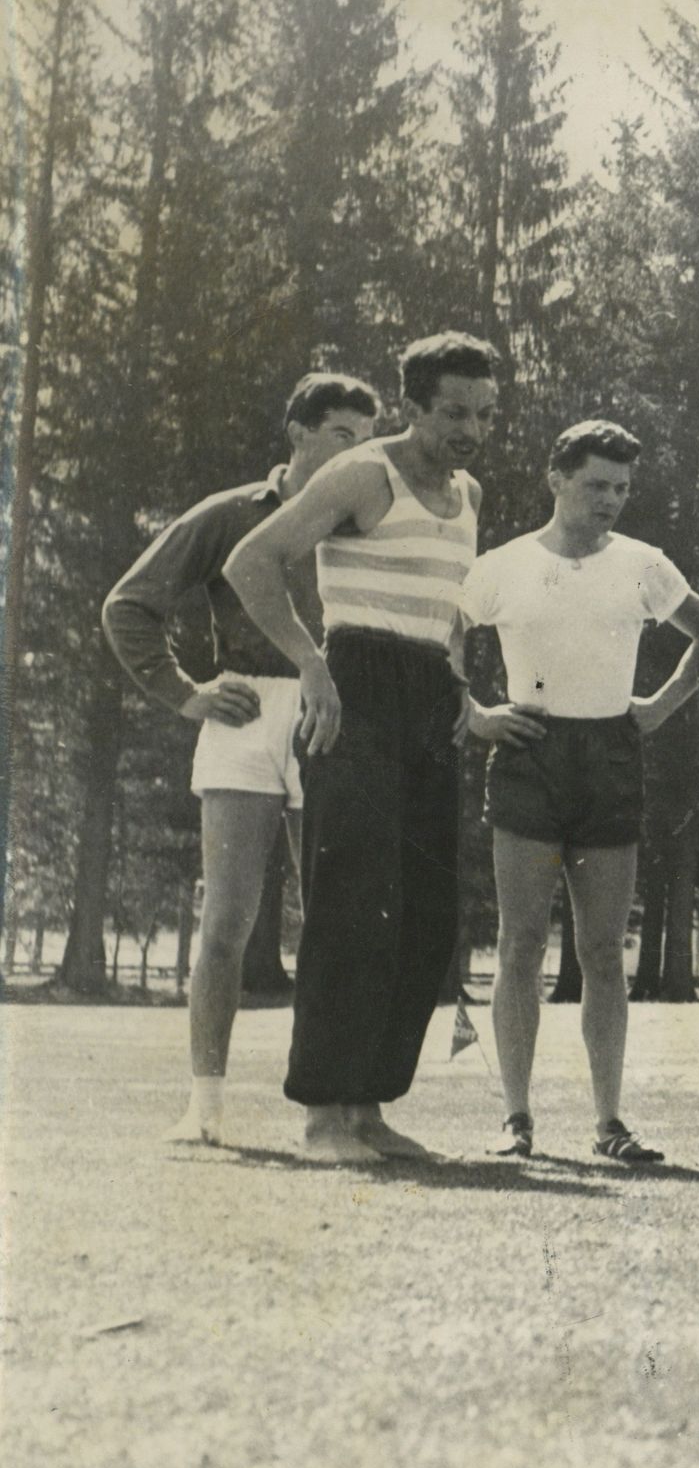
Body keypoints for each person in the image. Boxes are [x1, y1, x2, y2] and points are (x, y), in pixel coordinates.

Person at [225, 333, 499, 1163]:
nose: (469, 429)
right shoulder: (363, 474)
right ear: (412, 406)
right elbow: (252, 561)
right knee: (354, 903)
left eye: (484, 414)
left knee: (422, 912)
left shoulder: (470, 493)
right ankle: (322, 1116)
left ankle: (370, 1106)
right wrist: (311, 665)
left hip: (426, 697)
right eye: (453, 412)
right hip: (356, 688)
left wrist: (455, 683)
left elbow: (447, 606)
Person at [103, 373, 380, 1144]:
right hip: (246, 713)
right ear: (297, 433)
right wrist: (185, 693)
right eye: (341, 436)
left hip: (337, 716)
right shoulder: (231, 514)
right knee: (226, 919)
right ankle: (207, 1105)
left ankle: (335, 1111)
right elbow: (129, 605)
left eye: (366, 439)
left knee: (335, 920)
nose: (355, 453)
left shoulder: (369, 518)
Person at [459, 421, 699, 1164]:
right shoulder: (503, 565)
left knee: (604, 950)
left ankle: (609, 1122)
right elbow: (447, 629)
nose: (610, 500)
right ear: (557, 479)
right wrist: (475, 713)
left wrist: (659, 706)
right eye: (597, 484)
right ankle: (516, 1119)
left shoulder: (643, 564)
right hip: (530, 752)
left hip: (608, 754)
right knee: (520, 944)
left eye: (622, 488)